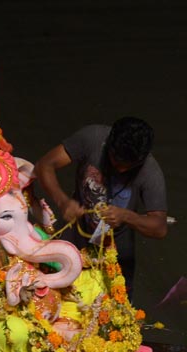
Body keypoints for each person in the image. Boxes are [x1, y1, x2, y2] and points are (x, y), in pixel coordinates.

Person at [35, 117, 168, 288]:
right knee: (51, 290)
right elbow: (44, 165)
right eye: (116, 161)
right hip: (75, 231)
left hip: (116, 247)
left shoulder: (150, 172)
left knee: (115, 306)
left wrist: (127, 216)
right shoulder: (93, 138)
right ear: (108, 145)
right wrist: (62, 201)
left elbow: (159, 228)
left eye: (128, 166)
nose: (121, 169)